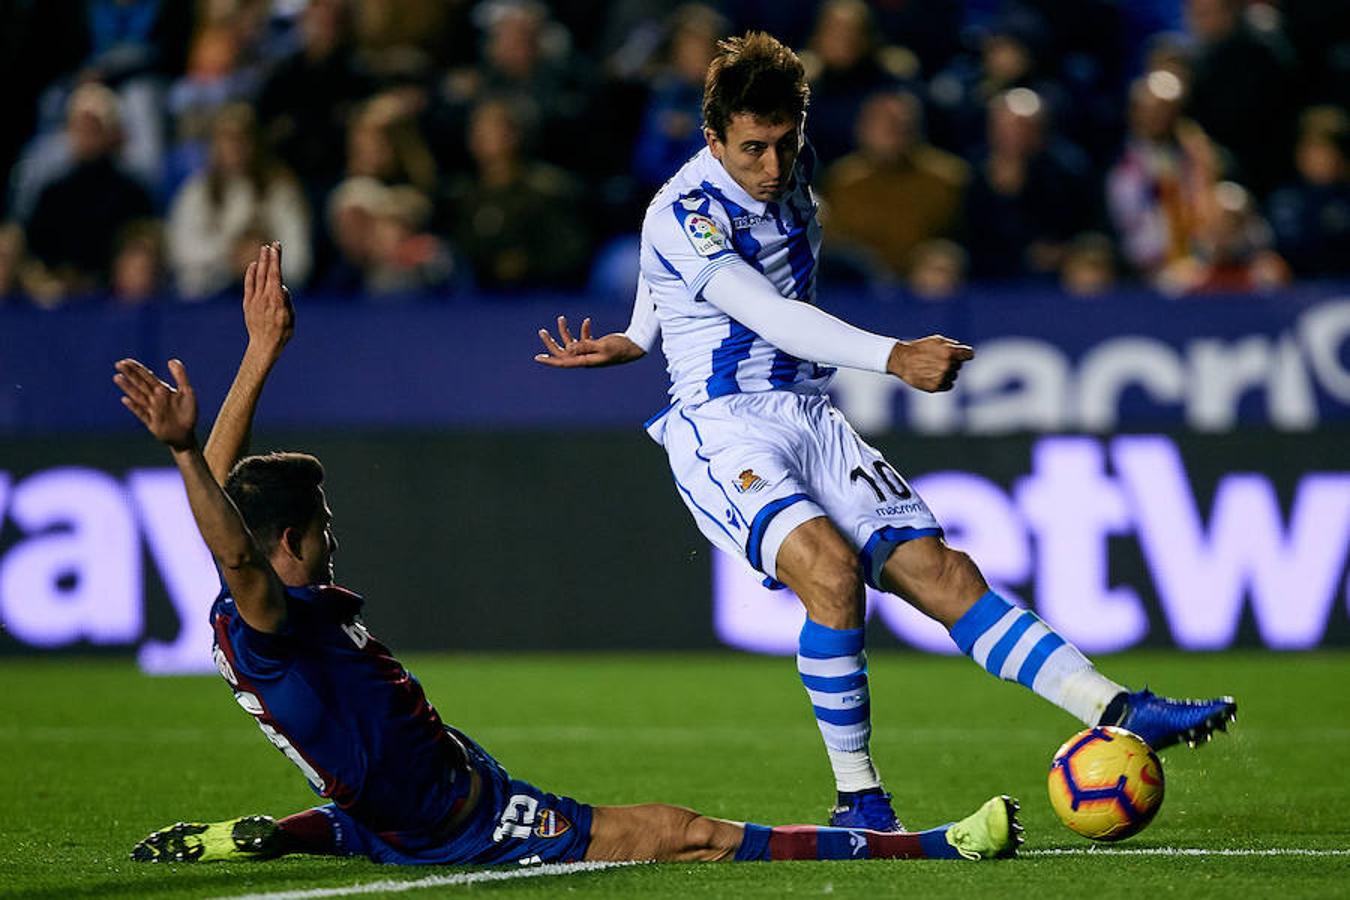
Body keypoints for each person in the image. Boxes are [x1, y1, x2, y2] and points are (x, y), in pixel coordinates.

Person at [535, 31, 1236, 833]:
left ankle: (1118, 707)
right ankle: (861, 800)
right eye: (751, 150)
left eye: (783, 144)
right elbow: (765, 311)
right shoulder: (685, 208)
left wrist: (637, 334)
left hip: (809, 414)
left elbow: (677, 288)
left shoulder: (794, 177)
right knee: (830, 576)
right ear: (713, 140)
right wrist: (891, 355)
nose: (770, 167)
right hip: (723, 427)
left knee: (944, 573)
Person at [120, 242, 1020, 867]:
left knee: (361, 817)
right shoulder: (267, 616)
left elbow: (229, 511)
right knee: (683, 832)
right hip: (461, 824)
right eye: (320, 522)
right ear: (286, 544)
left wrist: (257, 356)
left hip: (393, 810)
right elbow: (237, 548)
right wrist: (178, 451)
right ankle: (937, 844)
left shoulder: (252, 618)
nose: (333, 534)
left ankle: (276, 831)